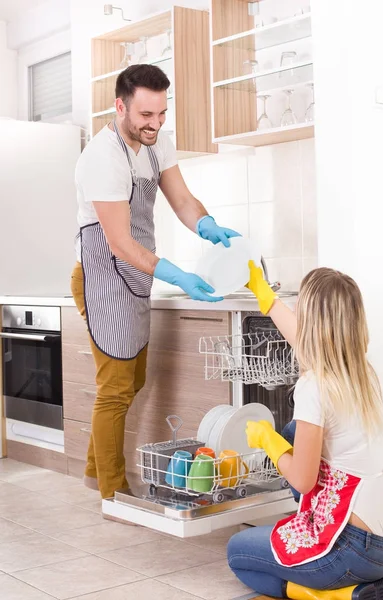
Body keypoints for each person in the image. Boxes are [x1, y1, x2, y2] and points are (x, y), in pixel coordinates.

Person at [71, 64, 239, 500]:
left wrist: (205, 223)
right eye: (146, 114)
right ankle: (111, 492)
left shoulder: (157, 143)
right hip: (102, 272)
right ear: (120, 105)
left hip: (136, 271)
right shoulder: (101, 157)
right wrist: (178, 275)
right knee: (116, 387)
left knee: (134, 381)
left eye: (162, 113)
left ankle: (94, 469)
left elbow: (180, 198)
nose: (155, 123)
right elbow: (121, 244)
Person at [227, 263, 383, 600]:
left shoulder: (313, 387)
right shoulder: (363, 371)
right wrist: (264, 296)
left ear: (314, 322)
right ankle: (371, 586)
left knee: (239, 553)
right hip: (381, 543)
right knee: (293, 429)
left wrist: (269, 441)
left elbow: (302, 481)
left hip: (351, 547)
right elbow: (305, 336)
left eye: (300, 305)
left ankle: (343, 594)